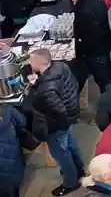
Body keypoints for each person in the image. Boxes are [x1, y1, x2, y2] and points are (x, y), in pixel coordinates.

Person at [28, 48, 84, 196]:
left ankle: (71, 182)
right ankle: (79, 169)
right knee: (71, 144)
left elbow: (57, 110)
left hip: (56, 125)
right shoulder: (61, 66)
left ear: (40, 63)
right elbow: (74, 85)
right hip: (70, 114)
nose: (29, 62)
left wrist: (34, 85)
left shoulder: (45, 88)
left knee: (61, 154)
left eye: (31, 60)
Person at [66, 0, 111, 93]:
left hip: (95, 52)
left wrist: (79, 52)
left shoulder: (84, 12)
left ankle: (108, 94)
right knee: (107, 65)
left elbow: (88, 37)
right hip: (105, 40)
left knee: (102, 77)